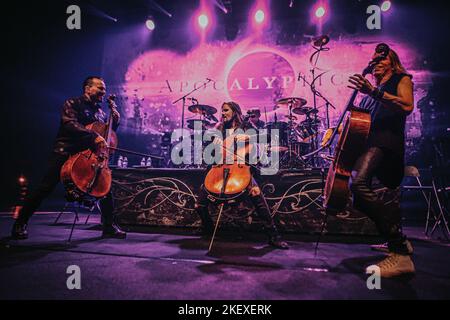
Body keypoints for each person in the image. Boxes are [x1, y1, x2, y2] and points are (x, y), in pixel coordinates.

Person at [11, 76, 126, 240]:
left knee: (104, 189)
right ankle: (20, 222)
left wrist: (115, 122)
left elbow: (106, 134)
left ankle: (109, 226)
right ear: (87, 88)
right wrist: (93, 135)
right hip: (65, 151)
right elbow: (69, 124)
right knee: (45, 188)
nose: (103, 92)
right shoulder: (73, 104)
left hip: (87, 157)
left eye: (104, 89)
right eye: (100, 88)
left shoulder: (100, 113)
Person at [347, 44, 415, 277]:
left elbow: (407, 106)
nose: (375, 62)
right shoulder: (369, 95)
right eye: (373, 60)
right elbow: (359, 121)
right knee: (357, 197)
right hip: (371, 144)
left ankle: (399, 252)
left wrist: (374, 92)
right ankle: (398, 240)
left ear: (392, 62)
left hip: (385, 143)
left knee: (357, 184)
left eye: (380, 59)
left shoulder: (400, 78)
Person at [195, 102, 289, 249]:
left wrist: (247, 138)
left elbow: (264, 139)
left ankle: (273, 235)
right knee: (199, 205)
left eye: (226, 110)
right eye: (222, 111)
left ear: (235, 111)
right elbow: (208, 150)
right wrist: (214, 142)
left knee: (257, 195)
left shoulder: (246, 127)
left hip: (240, 169)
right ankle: (208, 228)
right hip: (219, 169)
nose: (223, 113)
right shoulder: (219, 128)